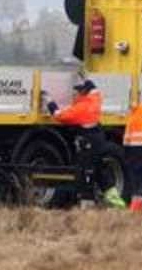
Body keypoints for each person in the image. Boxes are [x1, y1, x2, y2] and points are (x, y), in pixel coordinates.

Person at [47, 77, 121, 208]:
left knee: (84, 171)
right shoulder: (94, 99)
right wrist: (85, 77)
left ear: (82, 93)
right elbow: (95, 89)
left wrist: (49, 102)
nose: (74, 94)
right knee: (99, 168)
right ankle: (113, 197)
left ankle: (87, 202)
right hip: (98, 138)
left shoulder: (81, 108)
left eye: (76, 91)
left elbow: (59, 116)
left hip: (89, 141)